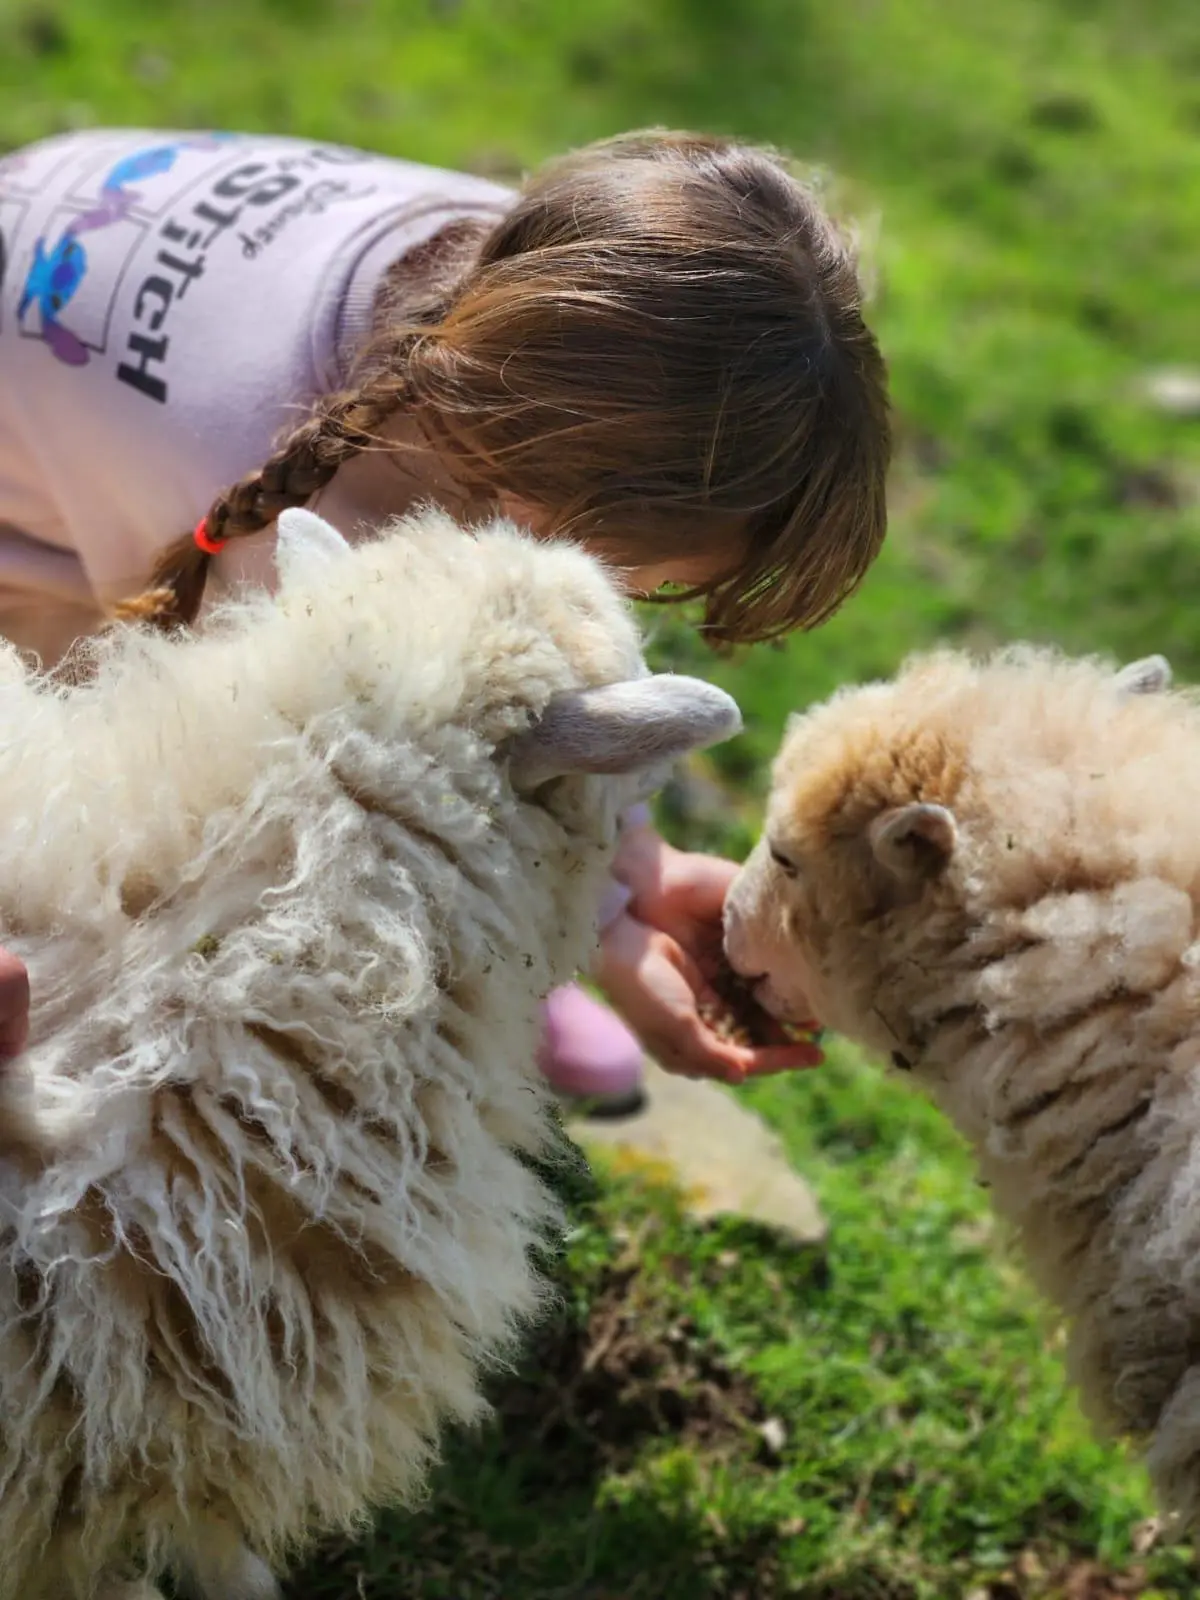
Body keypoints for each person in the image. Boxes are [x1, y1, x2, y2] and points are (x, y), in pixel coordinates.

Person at [0, 123, 890, 1102]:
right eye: (642, 572)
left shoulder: (549, 290)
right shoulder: (286, 514)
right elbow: (373, 766)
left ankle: (504, 931)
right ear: (531, 510)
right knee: (188, 818)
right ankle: (459, 947)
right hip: (35, 508)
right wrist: (585, 915)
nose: (645, 598)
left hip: (76, 234)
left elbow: (525, 664)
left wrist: (633, 867)